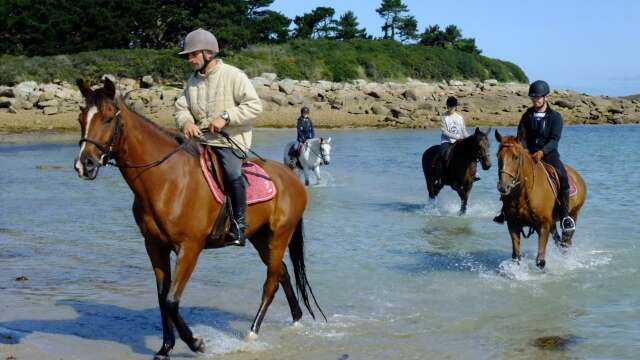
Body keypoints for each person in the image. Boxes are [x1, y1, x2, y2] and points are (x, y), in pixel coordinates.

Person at [174, 28, 263, 247]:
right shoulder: (192, 81)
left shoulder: (233, 75)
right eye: (188, 56)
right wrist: (186, 122)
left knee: (232, 173)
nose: (189, 59)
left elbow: (254, 106)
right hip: (200, 142)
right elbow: (180, 108)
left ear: (208, 54)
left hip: (229, 141)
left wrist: (226, 117)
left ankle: (239, 226)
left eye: (193, 55)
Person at [493, 80, 575, 233]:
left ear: (546, 97)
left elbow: (554, 139)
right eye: (533, 97)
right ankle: (504, 211)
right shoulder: (527, 115)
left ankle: (564, 217)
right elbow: (521, 137)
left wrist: (542, 151)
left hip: (549, 154)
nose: (535, 100)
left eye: (538, 97)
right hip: (528, 154)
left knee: (562, 177)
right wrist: (525, 151)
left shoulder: (555, 117)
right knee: (509, 175)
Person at [435, 96, 469, 186]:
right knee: (442, 154)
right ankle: (439, 177)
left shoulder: (460, 116)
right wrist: (456, 137)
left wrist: (469, 139)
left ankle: (473, 174)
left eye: (452, 107)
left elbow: (463, 130)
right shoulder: (444, 116)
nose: (450, 108)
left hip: (460, 141)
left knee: (471, 152)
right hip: (447, 141)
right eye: (448, 106)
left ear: (455, 107)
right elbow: (444, 131)